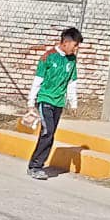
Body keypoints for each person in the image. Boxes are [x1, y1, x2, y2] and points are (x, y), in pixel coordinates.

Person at [26, 27, 81, 180]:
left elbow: (71, 82)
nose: (76, 49)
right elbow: (38, 80)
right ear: (65, 42)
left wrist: (73, 103)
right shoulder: (48, 57)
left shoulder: (72, 60)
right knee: (47, 132)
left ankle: (38, 164)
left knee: (50, 134)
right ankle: (35, 166)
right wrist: (31, 102)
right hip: (45, 99)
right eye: (75, 45)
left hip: (59, 102)